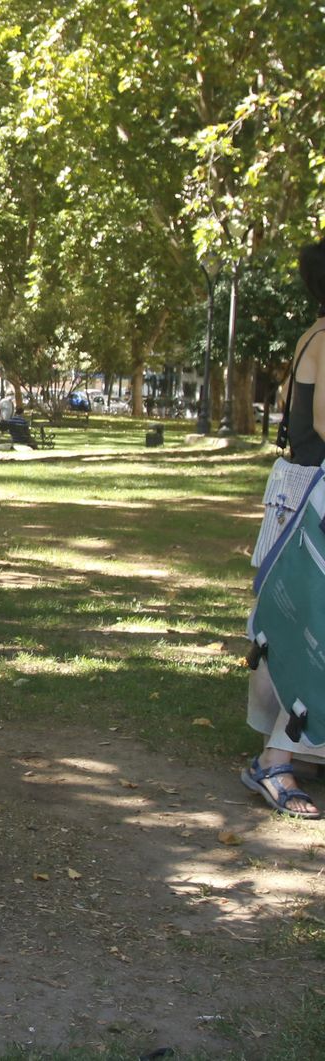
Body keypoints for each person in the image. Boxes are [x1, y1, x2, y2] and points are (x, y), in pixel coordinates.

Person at [241, 238, 325, 819]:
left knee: (289, 620)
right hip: (317, 493)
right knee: (311, 626)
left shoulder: (310, 334)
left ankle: (293, 742)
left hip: (295, 486)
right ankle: (278, 758)